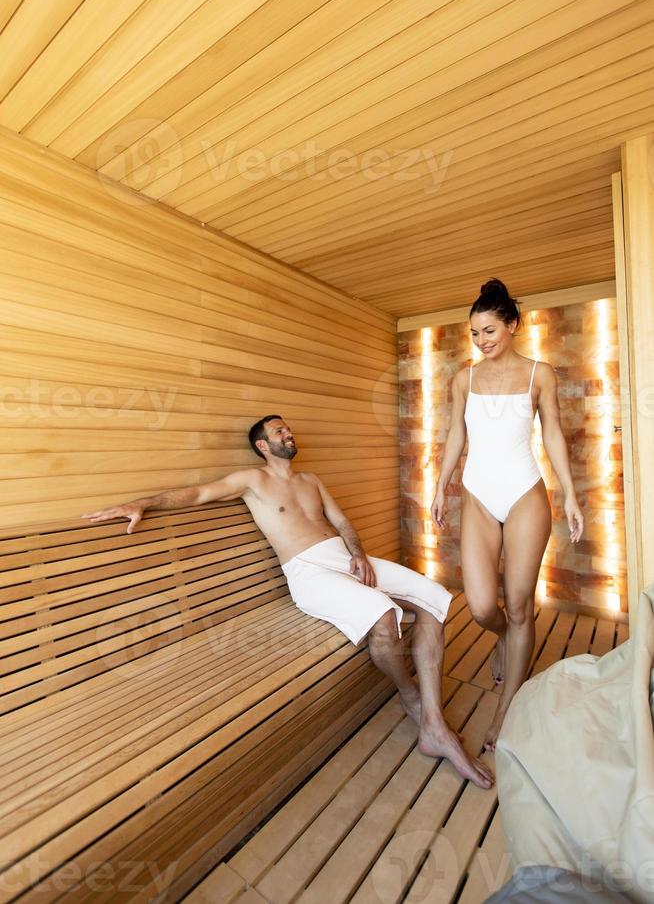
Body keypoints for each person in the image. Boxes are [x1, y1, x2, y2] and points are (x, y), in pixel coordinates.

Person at [83, 415, 494, 789]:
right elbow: (196, 494)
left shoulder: (310, 481)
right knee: (384, 616)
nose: (288, 434)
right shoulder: (252, 481)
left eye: (287, 429)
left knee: (433, 597)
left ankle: (433, 725)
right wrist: (144, 502)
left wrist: (358, 553)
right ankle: (409, 694)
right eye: (279, 431)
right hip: (307, 572)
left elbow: (342, 521)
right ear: (263, 445)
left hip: (344, 557)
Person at [431, 279, 584, 753]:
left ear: (513, 325)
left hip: (524, 495)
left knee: (519, 605)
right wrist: (440, 485)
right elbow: (456, 435)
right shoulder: (465, 379)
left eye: (490, 330)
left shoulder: (541, 374)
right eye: (475, 333)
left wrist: (572, 496)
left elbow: (554, 435)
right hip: (477, 495)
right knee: (480, 607)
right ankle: (505, 640)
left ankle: (507, 705)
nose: (482, 340)